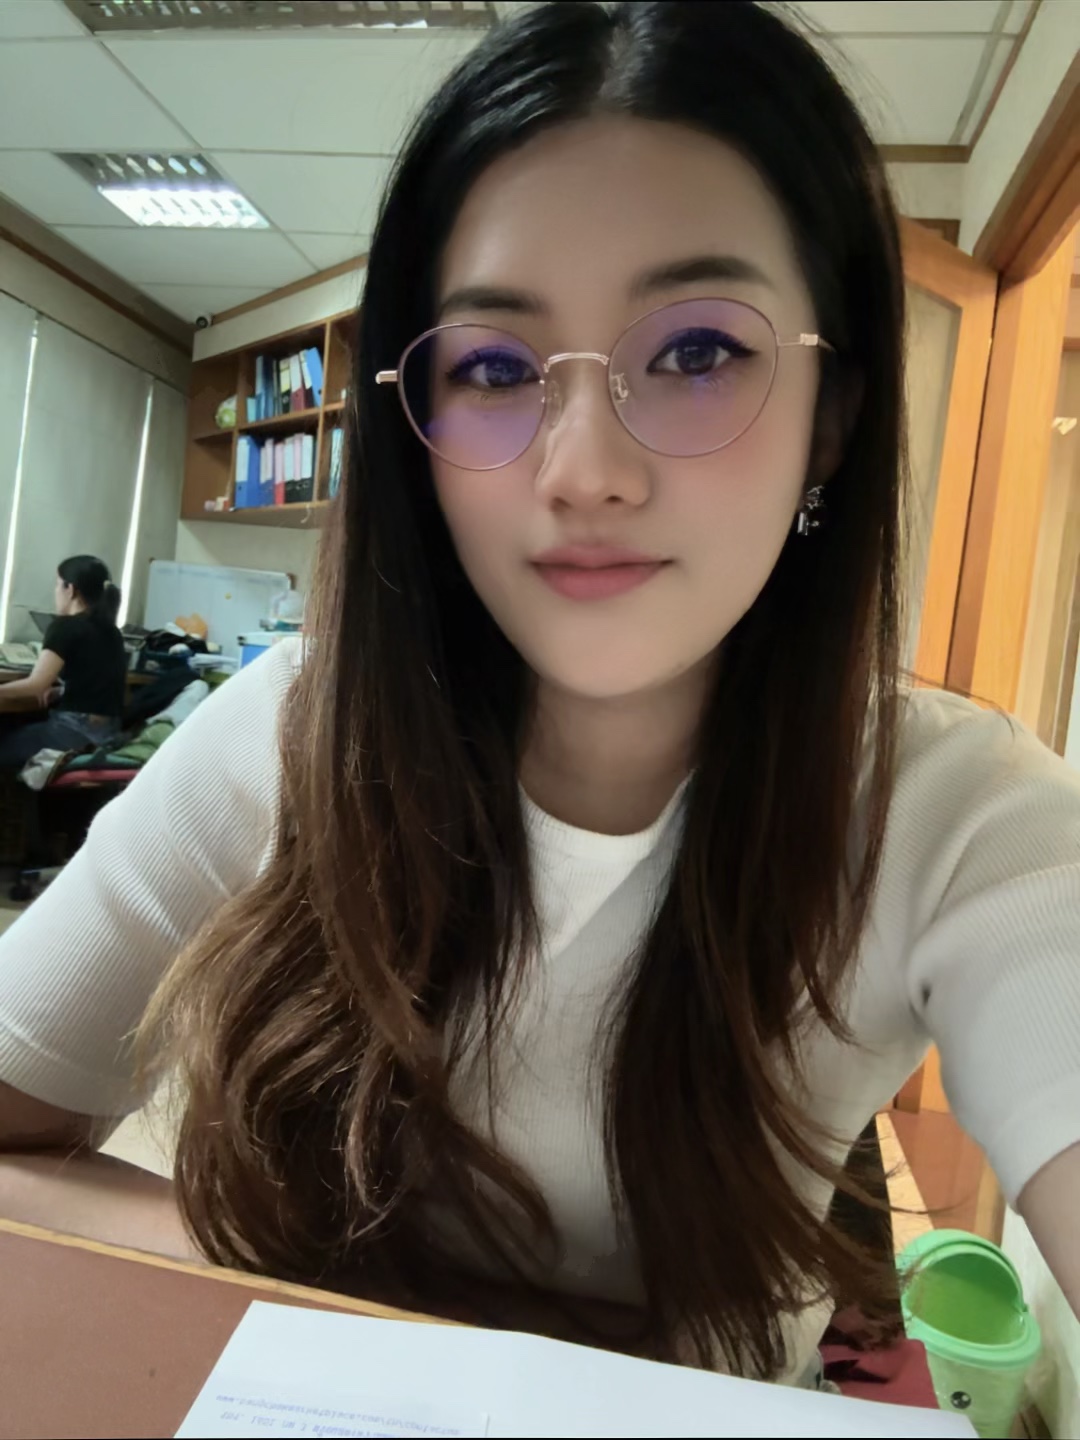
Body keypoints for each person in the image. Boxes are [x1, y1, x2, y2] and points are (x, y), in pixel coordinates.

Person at [0, 0, 1077, 1391]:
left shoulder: (964, 819)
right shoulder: (288, 731)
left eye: (697, 352)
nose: (584, 471)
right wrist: (353, 1326)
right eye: (496, 369)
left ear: (834, 413)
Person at [0, 555, 126, 770]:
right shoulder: (112, 631)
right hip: (107, 735)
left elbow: (36, 685)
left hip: (72, 733)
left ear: (71, 589)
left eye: (58, 585)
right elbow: (99, 683)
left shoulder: (65, 626)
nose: (55, 592)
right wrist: (61, 692)